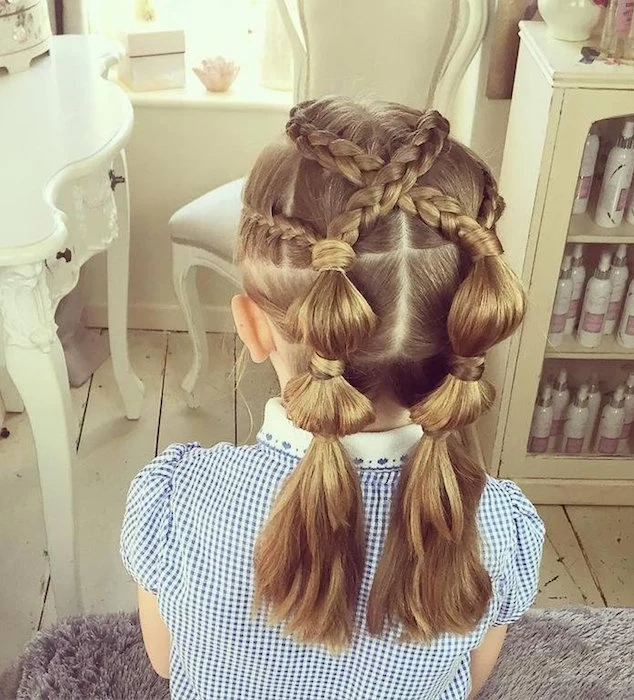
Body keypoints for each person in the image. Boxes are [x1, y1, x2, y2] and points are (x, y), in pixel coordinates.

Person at [121, 97, 545, 700]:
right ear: (469, 322)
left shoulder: (177, 500)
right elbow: (470, 683)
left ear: (253, 326)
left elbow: (165, 663)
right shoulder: (498, 526)